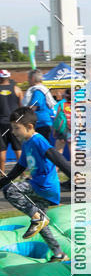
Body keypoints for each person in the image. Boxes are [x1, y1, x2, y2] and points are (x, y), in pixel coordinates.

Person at [0, 107, 70, 262]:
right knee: (41, 226)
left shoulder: (38, 140)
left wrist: (71, 173)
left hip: (45, 186)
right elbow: (19, 168)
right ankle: (59, 254)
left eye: (16, 128)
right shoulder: (26, 143)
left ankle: (37, 217)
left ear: (29, 127)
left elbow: (54, 156)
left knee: (10, 191)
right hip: (41, 188)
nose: (13, 132)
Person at [0, 68, 23, 174]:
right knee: (18, 148)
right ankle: (22, 173)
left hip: (1, 123)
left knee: (2, 150)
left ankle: (2, 173)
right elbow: (22, 107)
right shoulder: (17, 89)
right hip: (14, 123)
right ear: (9, 77)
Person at [22, 69, 56, 140]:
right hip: (43, 122)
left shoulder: (38, 91)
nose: (28, 80)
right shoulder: (42, 89)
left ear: (33, 79)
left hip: (41, 123)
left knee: (41, 146)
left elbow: (34, 106)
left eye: (28, 78)